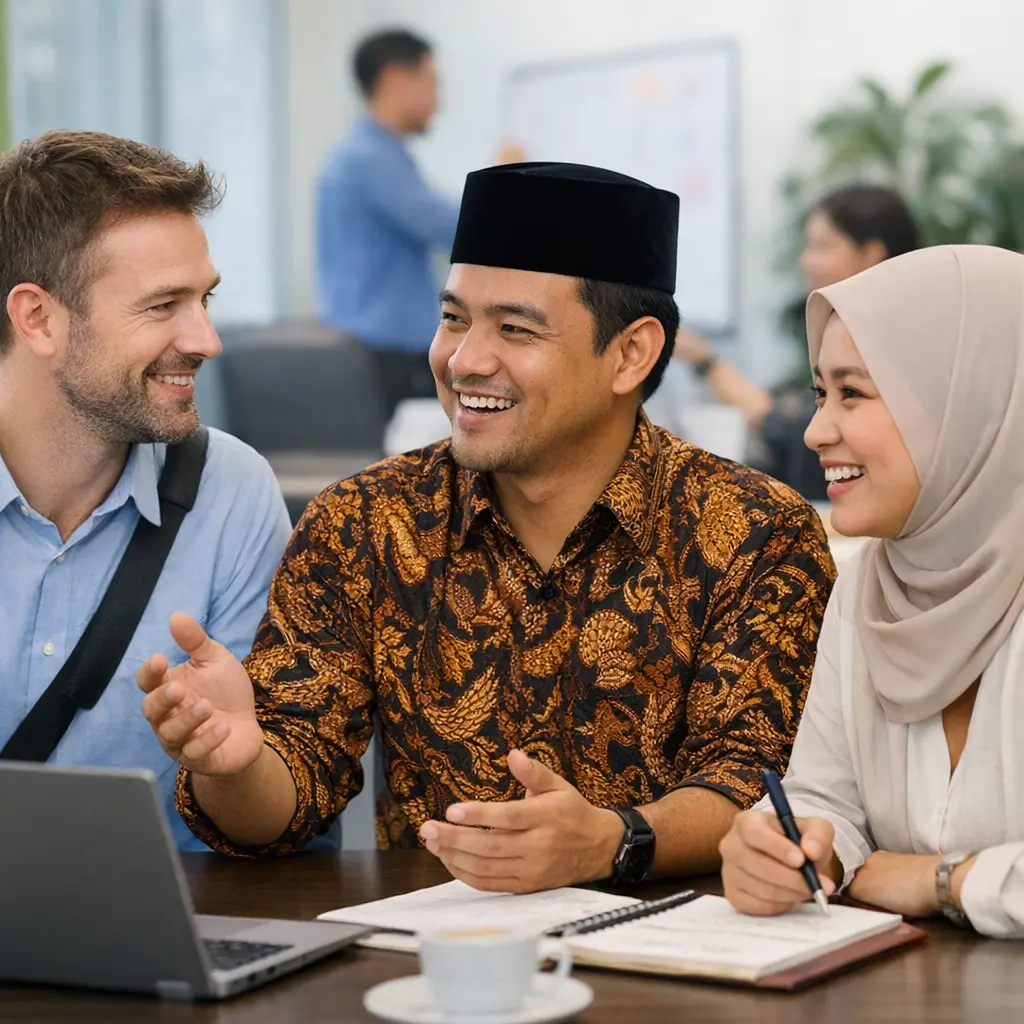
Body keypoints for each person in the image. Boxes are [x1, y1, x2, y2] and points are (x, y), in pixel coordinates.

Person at [140, 162, 835, 893]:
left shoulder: (755, 534)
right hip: (437, 970)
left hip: (675, 971)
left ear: (631, 353)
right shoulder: (365, 524)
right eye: (452, 319)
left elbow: (759, 784)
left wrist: (613, 840)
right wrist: (237, 764)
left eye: (514, 328)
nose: (464, 360)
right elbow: (289, 801)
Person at [719, 245, 1024, 938]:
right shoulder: (868, 582)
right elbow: (827, 796)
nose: (816, 429)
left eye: (853, 393)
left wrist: (942, 880)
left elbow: (915, 877)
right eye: (821, 392)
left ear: (967, 402)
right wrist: (788, 848)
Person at [0, 130, 291, 850]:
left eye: (205, 300)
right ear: (38, 318)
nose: (205, 339)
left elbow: (271, 831)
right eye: (163, 306)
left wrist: (234, 763)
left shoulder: (232, 492)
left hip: (166, 940)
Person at [675, 185, 920, 500]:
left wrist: (704, 360)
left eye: (822, 246)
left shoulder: (900, 341)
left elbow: (781, 425)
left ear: (871, 254)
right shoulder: (840, 330)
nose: (806, 261)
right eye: (820, 393)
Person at [315, 28, 459, 426]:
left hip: (376, 353)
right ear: (395, 78)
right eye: (431, 82)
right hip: (384, 358)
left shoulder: (367, 156)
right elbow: (452, 226)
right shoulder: (370, 159)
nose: (438, 101)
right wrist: (505, 179)